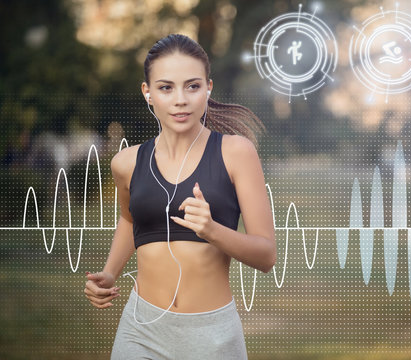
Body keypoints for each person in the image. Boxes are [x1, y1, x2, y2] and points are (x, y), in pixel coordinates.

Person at [83, 33, 277, 359]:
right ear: (148, 93)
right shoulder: (126, 163)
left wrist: (212, 230)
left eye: (192, 86)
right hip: (141, 330)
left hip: (212, 336)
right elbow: (131, 220)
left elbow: (267, 256)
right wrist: (110, 273)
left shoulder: (236, 153)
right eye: (165, 87)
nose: (180, 100)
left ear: (208, 88)